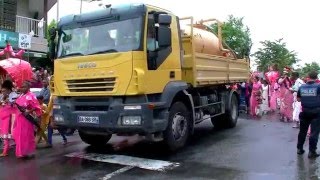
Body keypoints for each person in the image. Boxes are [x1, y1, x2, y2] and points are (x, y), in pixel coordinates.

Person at [13, 81, 42, 158]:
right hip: (19, 118)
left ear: (28, 87)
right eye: (21, 87)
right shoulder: (20, 95)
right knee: (19, 135)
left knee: (27, 135)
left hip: (26, 119)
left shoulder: (31, 96)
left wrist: (29, 111)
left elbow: (36, 106)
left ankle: (29, 152)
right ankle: (21, 152)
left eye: (24, 87)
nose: (22, 88)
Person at [297, 71, 320, 158]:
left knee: (302, 131)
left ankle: (299, 149)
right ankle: (312, 152)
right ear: (316, 77)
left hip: (304, 111)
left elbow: (298, 99)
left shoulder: (302, 86)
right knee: (314, 132)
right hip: (316, 112)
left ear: (308, 77)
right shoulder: (318, 86)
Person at [0, 80, 18, 157]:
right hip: (3, 116)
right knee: (5, 134)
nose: (3, 92)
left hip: (11, 116)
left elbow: (16, 105)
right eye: (2, 90)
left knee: (9, 133)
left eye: (4, 90)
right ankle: (7, 148)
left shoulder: (13, 95)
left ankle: (7, 150)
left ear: (8, 89)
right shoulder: (2, 96)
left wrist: (9, 102)